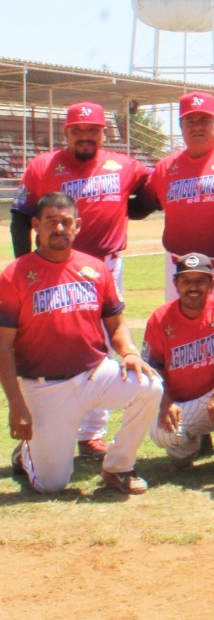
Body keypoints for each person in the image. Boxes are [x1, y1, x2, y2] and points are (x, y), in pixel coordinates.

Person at [11, 100, 153, 456]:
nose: (85, 135)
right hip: (53, 269)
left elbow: (150, 194)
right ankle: (40, 429)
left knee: (103, 342)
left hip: (104, 267)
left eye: (93, 130)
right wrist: (25, 266)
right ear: (67, 132)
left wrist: (127, 208)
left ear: (104, 132)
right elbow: (20, 216)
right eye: (78, 130)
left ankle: (91, 433)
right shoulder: (42, 166)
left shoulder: (124, 165)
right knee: (49, 340)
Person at [1, 192, 163, 494]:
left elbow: (116, 324)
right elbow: (3, 345)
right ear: (36, 225)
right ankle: (28, 453)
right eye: (51, 221)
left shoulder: (95, 268)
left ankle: (118, 467)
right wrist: (16, 404)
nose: (59, 228)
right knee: (51, 485)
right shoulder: (16, 274)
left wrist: (129, 351)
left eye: (66, 222)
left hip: (94, 374)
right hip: (46, 386)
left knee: (150, 387)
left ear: (77, 226)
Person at [142, 252, 214, 479]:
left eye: (200, 281)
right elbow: (152, 366)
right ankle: (188, 448)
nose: (193, 287)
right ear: (176, 284)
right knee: (160, 433)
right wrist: (166, 401)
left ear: (212, 284)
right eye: (186, 281)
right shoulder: (160, 318)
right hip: (181, 404)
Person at [147, 91, 214, 301]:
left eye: (204, 120)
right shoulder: (165, 168)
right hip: (178, 271)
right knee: (177, 323)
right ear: (181, 126)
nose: (197, 127)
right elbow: (142, 204)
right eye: (190, 121)